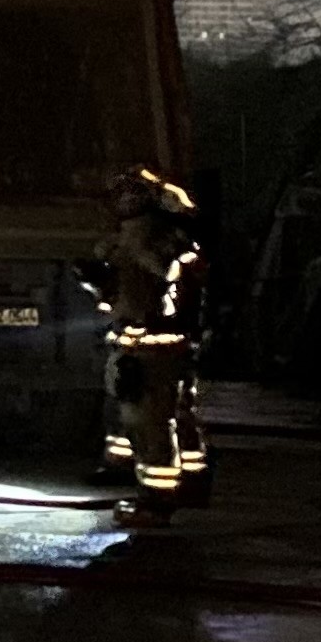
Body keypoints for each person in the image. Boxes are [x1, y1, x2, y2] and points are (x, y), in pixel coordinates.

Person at [104, 168, 207, 514]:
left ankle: (158, 499)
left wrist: (131, 253)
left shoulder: (156, 236)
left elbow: (161, 277)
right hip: (148, 343)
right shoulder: (146, 235)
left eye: (129, 194)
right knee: (166, 418)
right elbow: (128, 293)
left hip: (156, 345)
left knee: (153, 422)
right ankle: (185, 485)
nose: (122, 201)